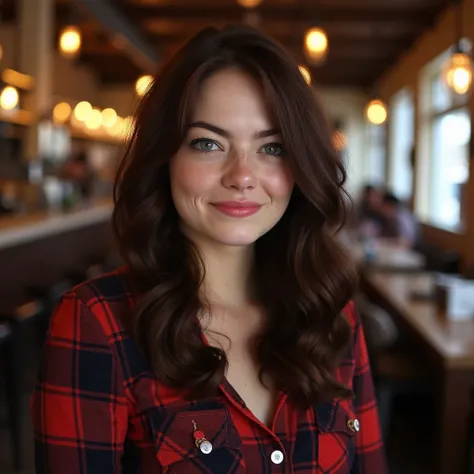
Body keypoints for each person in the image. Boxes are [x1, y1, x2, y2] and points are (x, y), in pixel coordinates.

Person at [31, 25, 387, 473]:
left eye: (272, 147)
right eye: (208, 143)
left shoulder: (333, 315)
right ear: (166, 159)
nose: (242, 175)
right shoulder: (97, 323)